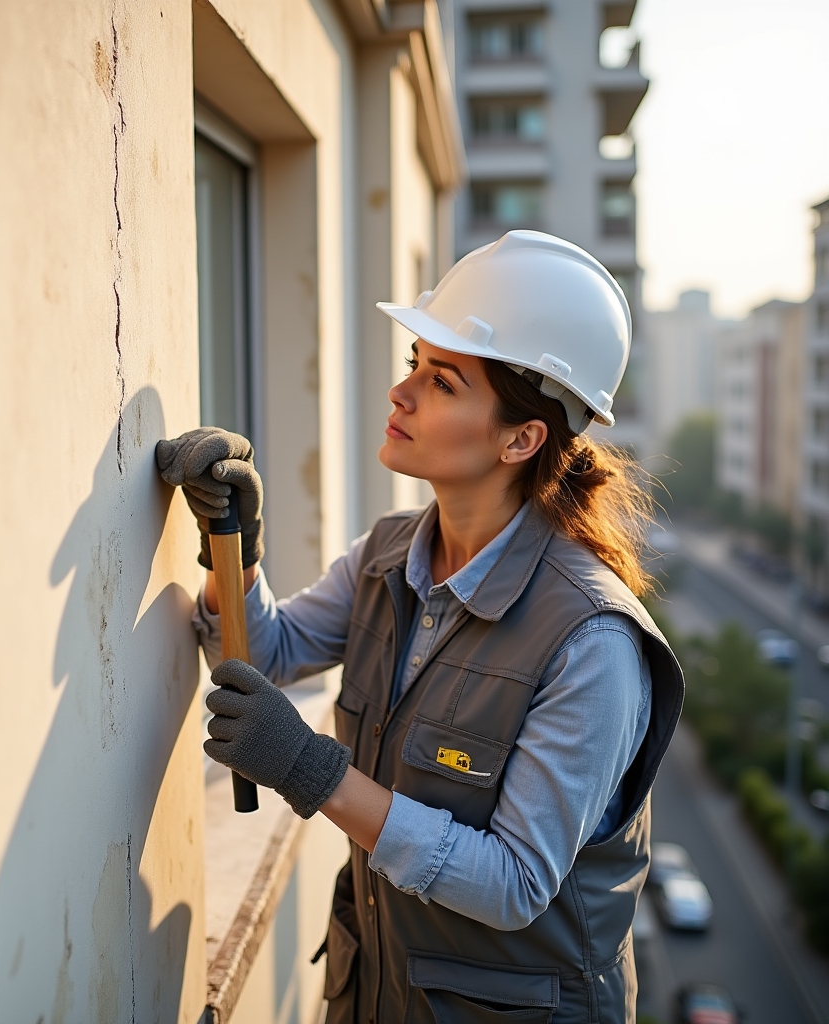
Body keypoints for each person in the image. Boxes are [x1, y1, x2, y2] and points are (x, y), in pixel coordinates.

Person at [156, 230, 684, 1024]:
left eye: (442, 381)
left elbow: (513, 885)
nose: (401, 394)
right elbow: (269, 653)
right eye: (414, 366)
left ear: (521, 437)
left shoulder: (592, 644)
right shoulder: (389, 555)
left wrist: (308, 767)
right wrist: (234, 549)